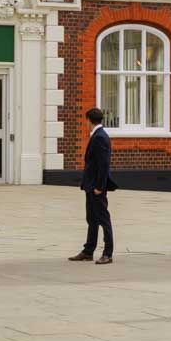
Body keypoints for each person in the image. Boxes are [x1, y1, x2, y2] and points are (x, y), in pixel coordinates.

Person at [69, 108, 117, 264]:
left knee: (103, 219)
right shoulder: (97, 136)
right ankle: (88, 251)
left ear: (89, 120)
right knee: (92, 219)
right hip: (90, 185)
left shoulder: (100, 137)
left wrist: (99, 186)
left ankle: (108, 253)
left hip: (97, 187)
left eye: (85, 120)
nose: (85, 123)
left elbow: (103, 165)